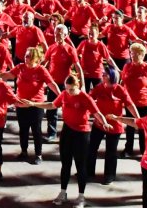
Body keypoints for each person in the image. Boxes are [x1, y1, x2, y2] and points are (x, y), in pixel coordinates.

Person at [39, 74, 110, 208]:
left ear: (78, 86)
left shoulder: (85, 97)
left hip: (82, 134)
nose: (69, 92)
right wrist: (34, 104)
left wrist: (104, 123)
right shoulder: (65, 94)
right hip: (67, 132)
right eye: (67, 89)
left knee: (80, 166)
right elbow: (52, 105)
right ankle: (63, 192)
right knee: (65, 164)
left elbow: (97, 113)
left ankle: (81, 196)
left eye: (72, 89)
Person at [6, 46, 60, 164]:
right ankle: (24, 151)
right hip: (21, 105)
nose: (26, 58)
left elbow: (51, 84)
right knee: (23, 129)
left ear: (36, 58)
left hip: (36, 105)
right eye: (26, 55)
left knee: (36, 130)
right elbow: (9, 75)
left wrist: (61, 96)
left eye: (29, 56)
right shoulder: (20, 67)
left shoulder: (41, 70)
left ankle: (38, 154)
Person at [88, 66, 137, 185]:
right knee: (91, 148)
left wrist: (138, 119)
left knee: (111, 152)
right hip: (99, 123)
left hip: (115, 126)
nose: (103, 75)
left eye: (106, 74)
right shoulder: (99, 87)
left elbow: (130, 105)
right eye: (103, 73)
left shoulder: (120, 90)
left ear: (112, 76)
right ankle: (88, 172)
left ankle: (109, 175)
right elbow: (89, 99)